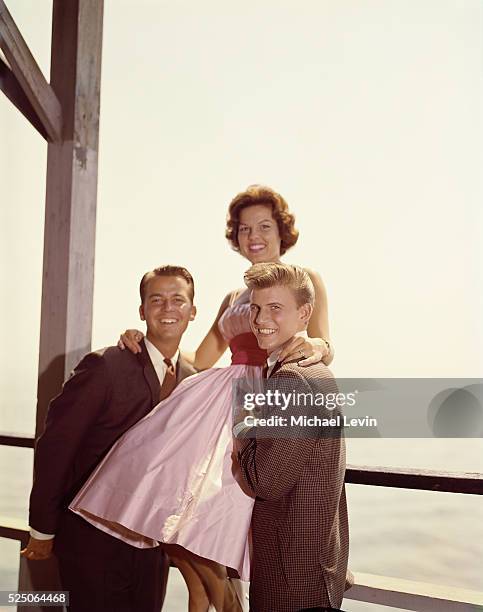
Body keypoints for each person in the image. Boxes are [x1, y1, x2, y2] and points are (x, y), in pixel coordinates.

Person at [69, 185, 334, 611]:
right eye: (245, 229)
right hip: (214, 404)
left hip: (256, 402)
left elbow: (323, 342)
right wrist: (147, 337)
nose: (254, 237)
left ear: (282, 231)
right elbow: (203, 356)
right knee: (167, 515)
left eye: (264, 226)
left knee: (212, 531)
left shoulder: (305, 280)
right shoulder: (233, 297)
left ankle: (228, 601)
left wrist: (318, 349)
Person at [22, 266, 198, 612]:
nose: (167, 308)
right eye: (156, 300)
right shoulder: (105, 366)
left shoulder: (191, 380)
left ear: (192, 312)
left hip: (150, 548)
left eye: (178, 300)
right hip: (91, 544)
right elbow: (56, 447)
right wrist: (42, 529)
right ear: (142, 311)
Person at [237, 262, 350, 612]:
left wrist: (242, 432)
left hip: (291, 582)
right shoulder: (319, 371)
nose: (260, 319)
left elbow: (266, 482)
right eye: (255, 308)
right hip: (318, 571)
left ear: (304, 314)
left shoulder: (290, 380)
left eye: (274, 308)